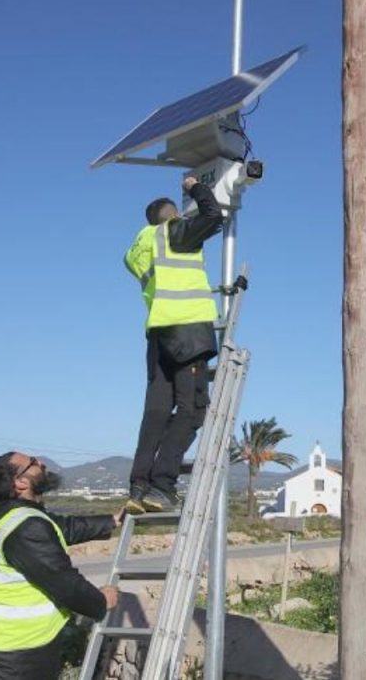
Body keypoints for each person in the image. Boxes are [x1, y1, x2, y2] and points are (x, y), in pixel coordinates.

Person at [0, 451, 124, 680]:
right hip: (12, 662)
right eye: (32, 462)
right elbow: (65, 583)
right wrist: (101, 601)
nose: (40, 462)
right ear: (20, 482)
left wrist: (111, 520)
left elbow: (62, 527)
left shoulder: (11, 515)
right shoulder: (26, 525)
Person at [123, 176, 225, 514]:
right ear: (171, 216)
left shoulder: (140, 247)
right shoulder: (174, 233)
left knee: (155, 411)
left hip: (158, 335)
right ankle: (162, 485)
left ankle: (138, 486)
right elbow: (213, 217)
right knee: (192, 409)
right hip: (186, 332)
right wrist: (197, 187)